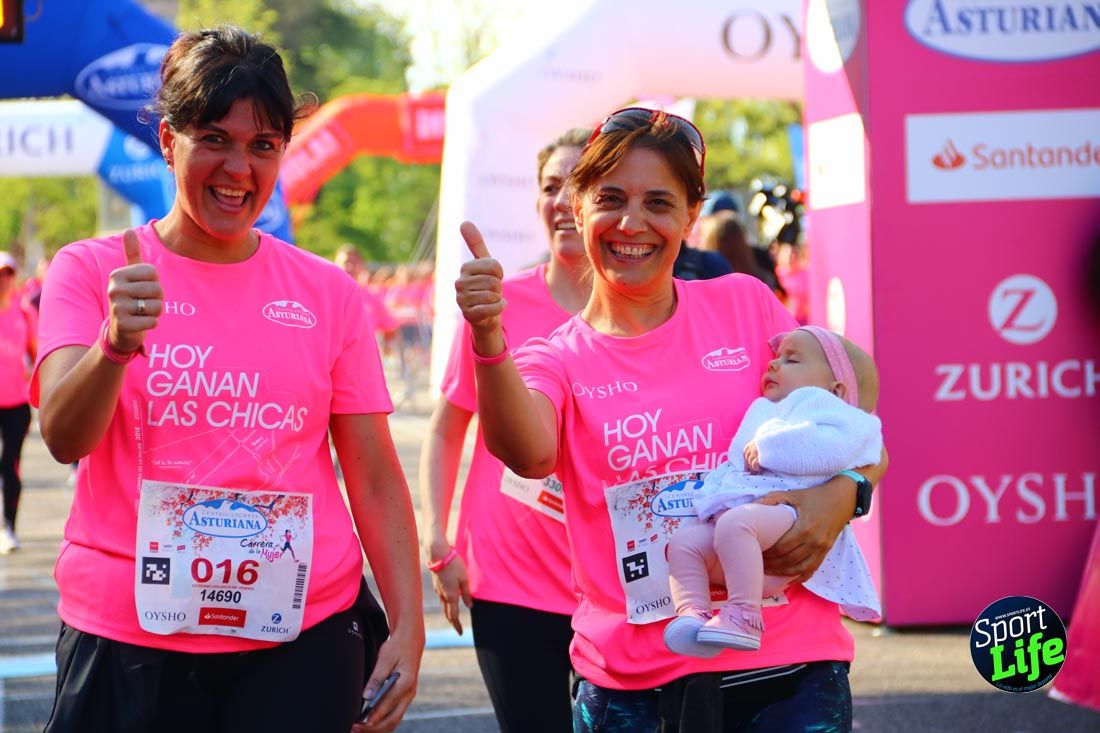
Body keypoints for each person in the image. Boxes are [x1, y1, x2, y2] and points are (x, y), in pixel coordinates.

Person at [33, 27, 422, 733]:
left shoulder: (327, 291)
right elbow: (63, 435)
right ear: (167, 140)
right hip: (128, 632)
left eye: (263, 145)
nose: (237, 167)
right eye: (214, 138)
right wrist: (114, 344)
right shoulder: (92, 271)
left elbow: (372, 474)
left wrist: (409, 623)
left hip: (299, 633)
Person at [455, 107, 886, 732]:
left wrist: (845, 496)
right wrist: (489, 338)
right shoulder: (553, 357)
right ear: (578, 208)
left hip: (786, 668)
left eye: (659, 202)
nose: (633, 223)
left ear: (691, 215)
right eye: (610, 198)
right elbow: (527, 453)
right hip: (631, 685)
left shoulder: (745, 305)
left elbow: (860, 432)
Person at [420, 128, 591, 733]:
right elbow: (445, 432)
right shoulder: (497, 304)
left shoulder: (640, 314)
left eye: (578, 185)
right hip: (509, 582)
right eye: (550, 187)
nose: (562, 201)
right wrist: (438, 540)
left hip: (615, 587)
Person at [664, 326, 882, 659]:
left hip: (793, 511)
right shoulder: (772, 408)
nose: (773, 365)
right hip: (752, 531)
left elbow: (827, 451)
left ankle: (744, 617)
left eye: (791, 360)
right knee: (684, 543)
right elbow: (741, 458)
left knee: (737, 525)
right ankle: (694, 614)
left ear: (835, 389)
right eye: (776, 358)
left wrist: (767, 447)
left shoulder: (838, 414)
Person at [0, 252, 36, 554]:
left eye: (8, 273)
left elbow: (38, 353)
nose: (3, 280)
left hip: (16, 405)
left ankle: (8, 526)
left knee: (10, 465)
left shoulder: (25, 314)